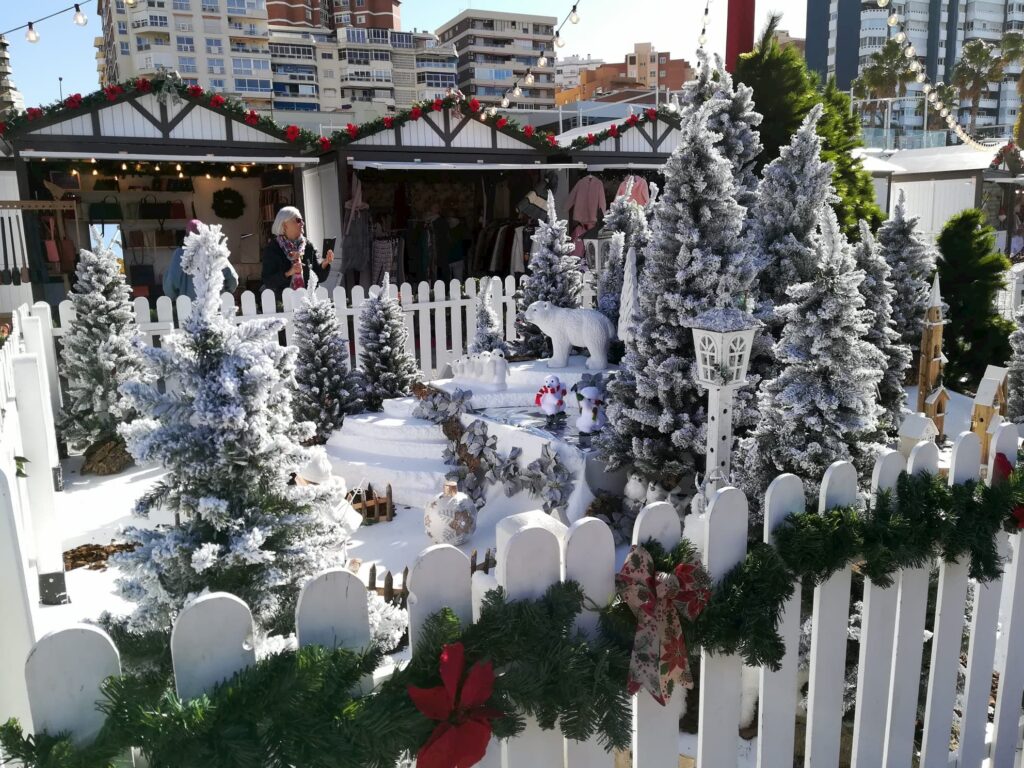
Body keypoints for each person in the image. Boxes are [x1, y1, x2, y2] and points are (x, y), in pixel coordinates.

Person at [262, 206, 333, 294]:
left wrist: (325, 263)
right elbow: (268, 281)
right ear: (285, 225)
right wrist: (288, 273)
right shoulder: (272, 249)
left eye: (302, 220)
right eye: (298, 220)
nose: (303, 223)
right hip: (284, 300)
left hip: (308, 299)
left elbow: (319, 277)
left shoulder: (308, 246)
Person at [163, 219, 239, 300]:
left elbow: (171, 282)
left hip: (188, 303)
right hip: (214, 303)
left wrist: (174, 297)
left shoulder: (179, 254)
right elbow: (233, 280)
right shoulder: (215, 251)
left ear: (187, 235)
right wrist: (225, 292)